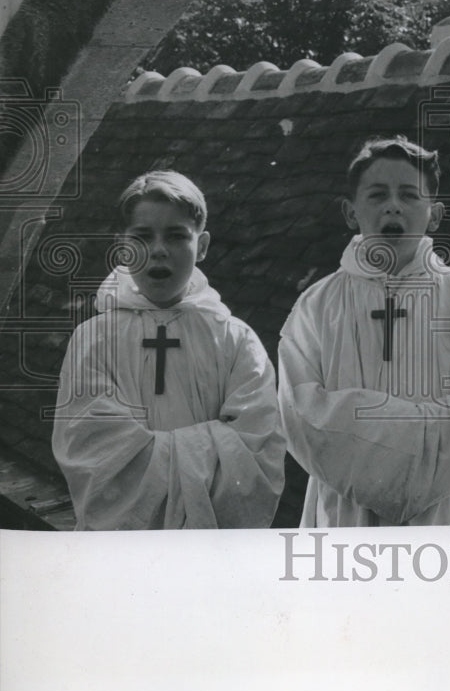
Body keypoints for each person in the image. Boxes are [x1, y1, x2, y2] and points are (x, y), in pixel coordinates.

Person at [278, 135, 450, 527]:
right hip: (347, 509)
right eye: (377, 195)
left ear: (435, 215)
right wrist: (409, 447)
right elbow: (301, 416)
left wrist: (403, 471)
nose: (393, 206)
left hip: (444, 510)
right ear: (350, 212)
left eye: (409, 195)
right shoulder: (317, 307)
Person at [52, 170, 285, 529]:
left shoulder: (235, 340)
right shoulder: (93, 341)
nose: (159, 250)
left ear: (202, 245)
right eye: (143, 236)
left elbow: (256, 451)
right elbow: (93, 452)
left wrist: (160, 458)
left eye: (177, 236)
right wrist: (205, 452)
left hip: (209, 553)